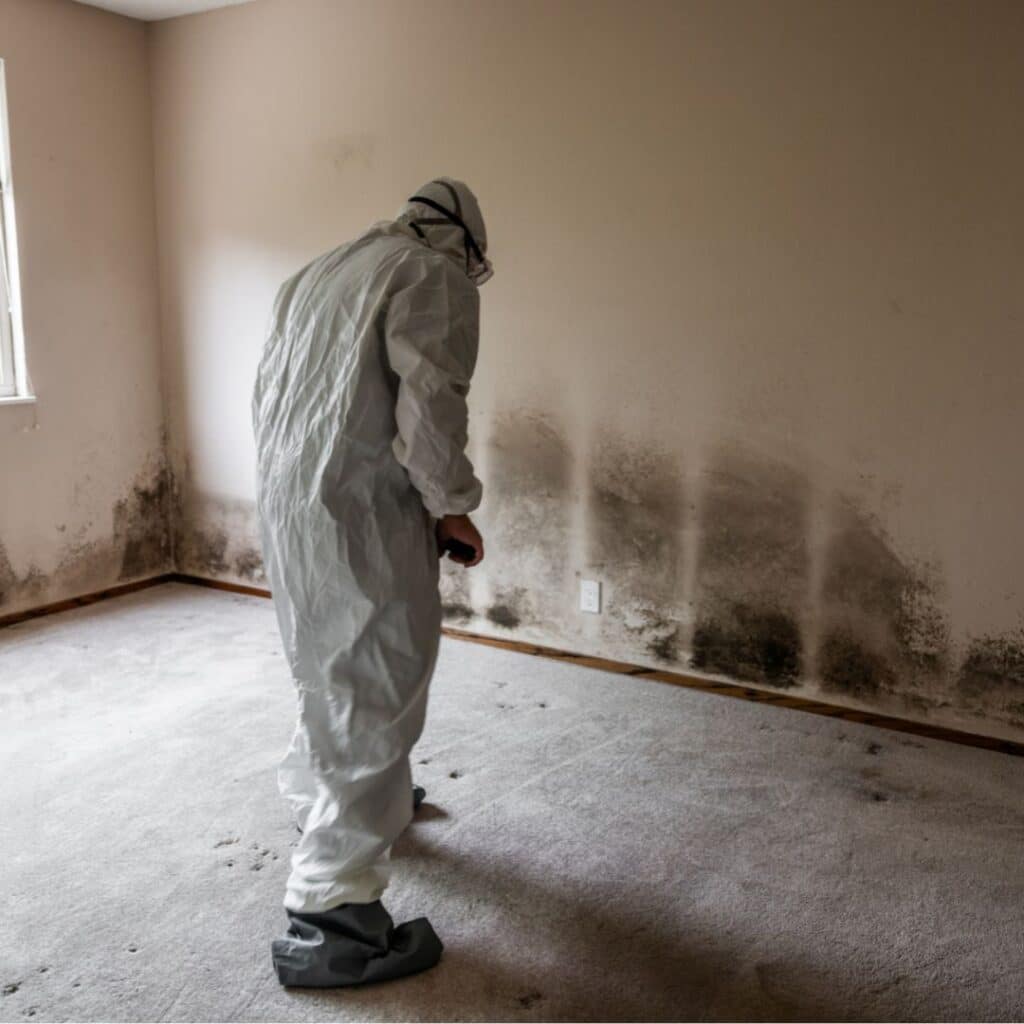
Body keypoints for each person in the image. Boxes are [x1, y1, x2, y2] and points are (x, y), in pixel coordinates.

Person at [251, 178, 491, 987]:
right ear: (462, 240)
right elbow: (431, 404)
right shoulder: (431, 275)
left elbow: (274, 394)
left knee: (325, 664)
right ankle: (332, 913)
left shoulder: (319, 272)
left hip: (292, 500)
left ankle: (332, 796)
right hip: (361, 509)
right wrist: (451, 508)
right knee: (381, 679)